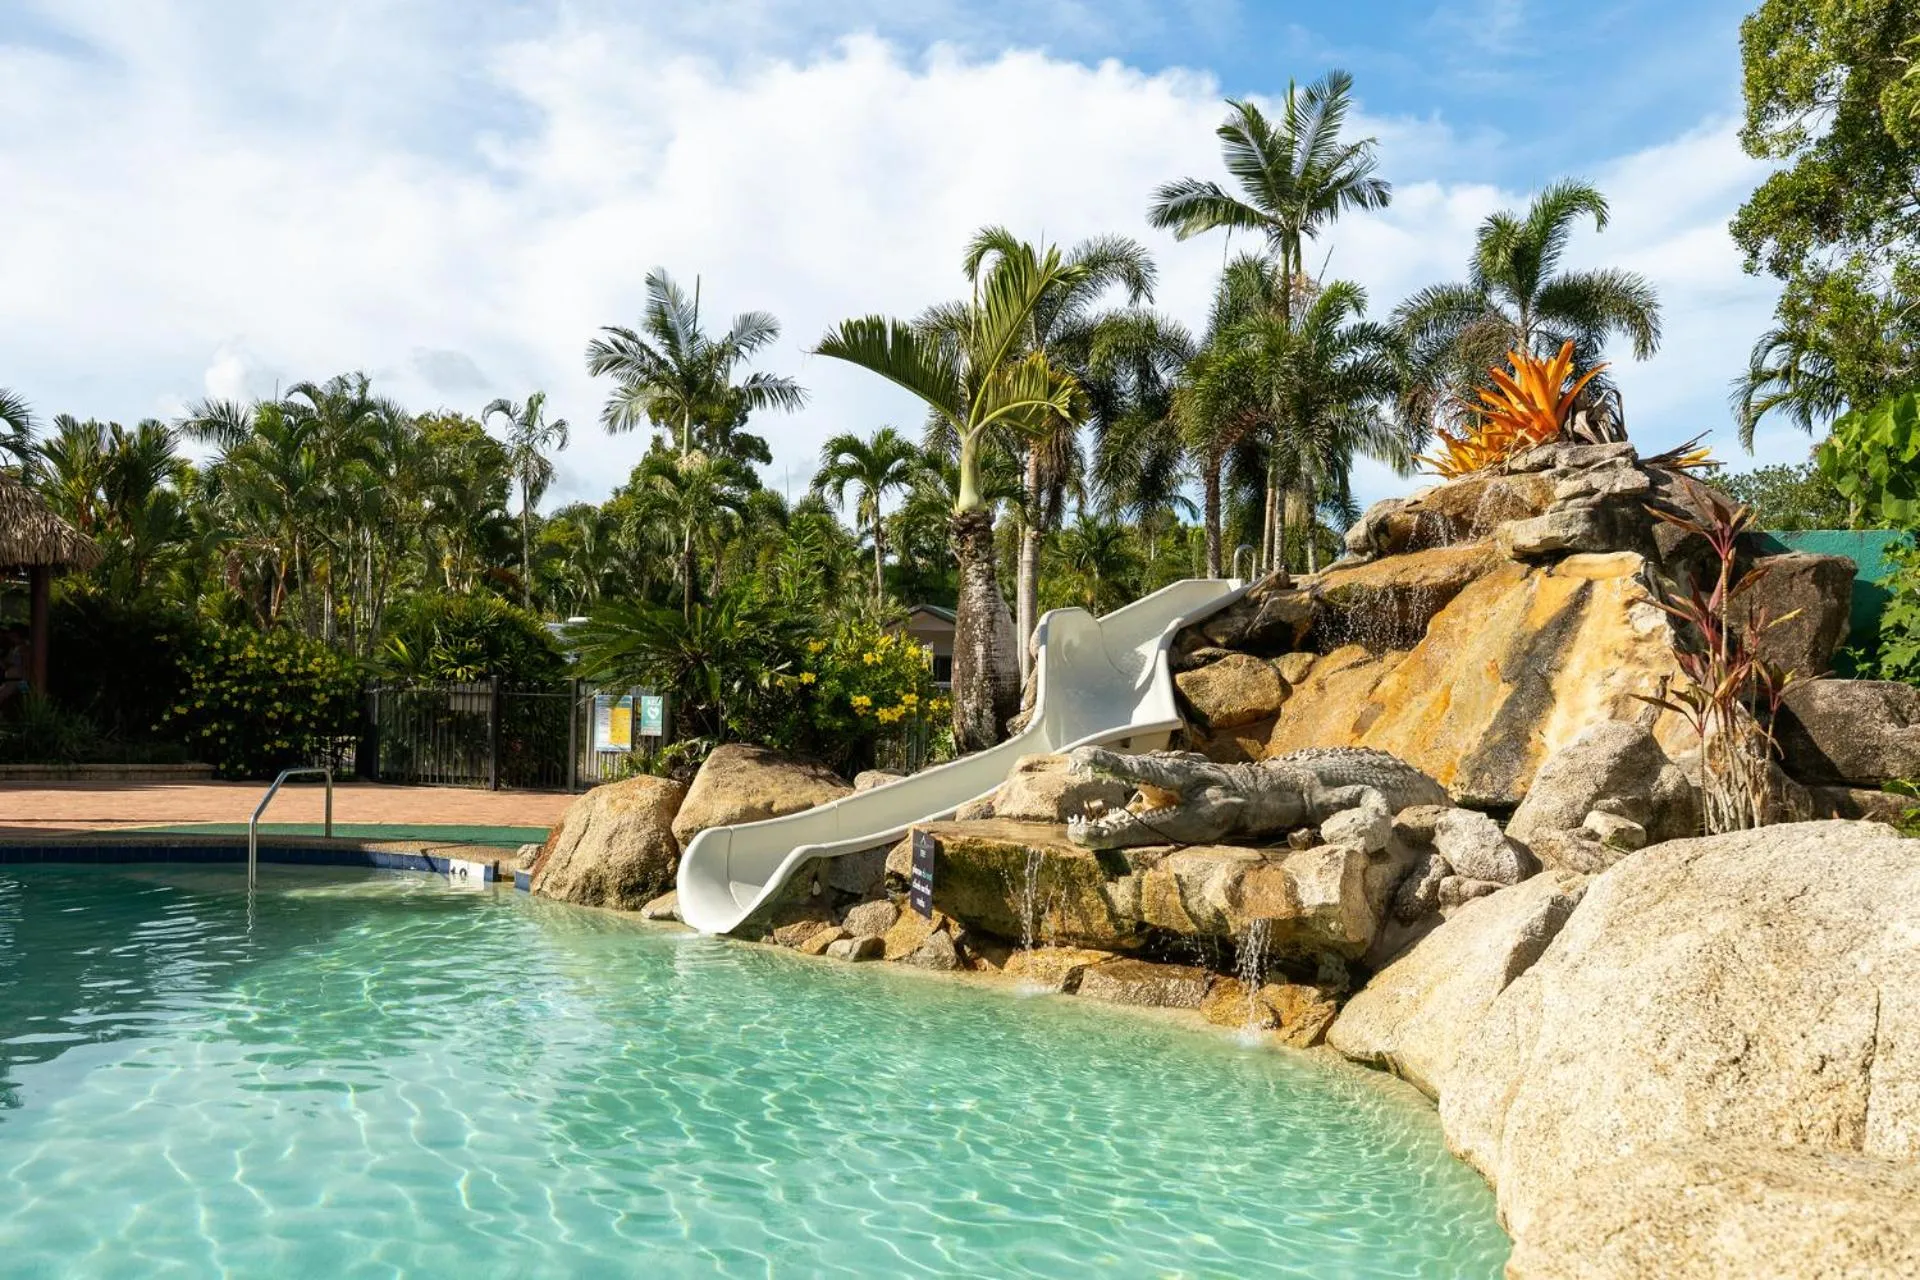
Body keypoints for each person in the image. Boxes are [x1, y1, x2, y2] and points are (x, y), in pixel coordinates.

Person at [0, 627, 28, 708]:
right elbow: (7, 663)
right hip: (9, 677)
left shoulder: (25, 650)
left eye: (12, 636)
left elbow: (25, 667)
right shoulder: (12, 649)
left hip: (18, 679)